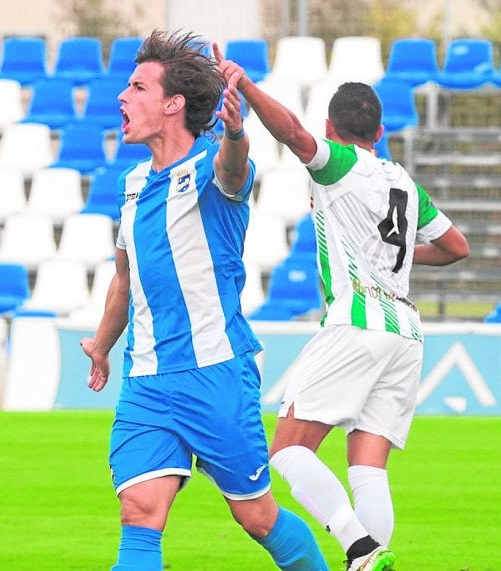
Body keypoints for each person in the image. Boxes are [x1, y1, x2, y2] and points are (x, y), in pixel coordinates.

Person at [80, 30, 329, 571]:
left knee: (256, 517)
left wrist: (237, 131)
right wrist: (101, 346)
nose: (122, 96)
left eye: (137, 86)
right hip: (145, 380)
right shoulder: (129, 185)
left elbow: (234, 167)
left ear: (173, 104)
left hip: (214, 373)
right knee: (139, 512)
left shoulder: (212, 172)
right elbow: (124, 279)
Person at [215, 45, 469, 571]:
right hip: (405, 331)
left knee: (287, 449)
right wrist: (395, 261)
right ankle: (371, 562)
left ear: (332, 129)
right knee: (368, 467)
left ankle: (359, 548)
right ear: (380, 133)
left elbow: (291, 134)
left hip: (357, 320)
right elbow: (455, 248)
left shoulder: (340, 164)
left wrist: (246, 85)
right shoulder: (404, 181)